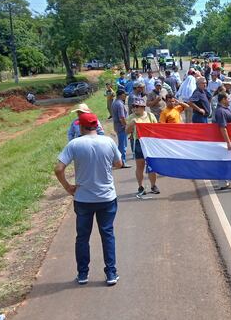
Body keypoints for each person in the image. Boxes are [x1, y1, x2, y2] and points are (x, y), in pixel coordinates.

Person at [54, 111, 123, 286]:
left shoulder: (74, 144)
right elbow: (119, 164)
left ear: (81, 126)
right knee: (107, 234)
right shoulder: (108, 141)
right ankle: (111, 273)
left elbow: (58, 168)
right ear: (96, 125)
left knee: (83, 237)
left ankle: (83, 274)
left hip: (83, 198)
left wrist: (67, 186)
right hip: (106, 196)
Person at [126, 97, 159, 197]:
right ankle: (140, 186)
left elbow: (157, 128)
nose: (135, 108)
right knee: (140, 166)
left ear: (143, 107)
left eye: (137, 106)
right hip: (138, 143)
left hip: (150, 143)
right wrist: (132, 124)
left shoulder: (150, 115)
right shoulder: (131, 117)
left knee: (151, 165)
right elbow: (127, 131)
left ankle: (153, 186)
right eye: (134, 106)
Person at [214, 92, 231, 190]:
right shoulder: (220, 111)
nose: (229, 100)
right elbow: (223, 127)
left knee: (227, 161)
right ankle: (222, 183)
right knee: (223, 161)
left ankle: (225, 181)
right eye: (227, 98)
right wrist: (228, 142)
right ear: (223, 99)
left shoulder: (224, 110)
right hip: (223, 141)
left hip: (227, 139)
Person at [112, 89, 130, 168]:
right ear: (121, 95)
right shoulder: (119, 104)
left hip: (117, 126)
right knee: (123, 145)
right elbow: (122, 117)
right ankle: (122, 162)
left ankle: (119, 161)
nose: (125, 96)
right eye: (124, 94)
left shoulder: (115, 103)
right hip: (121, 127)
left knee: (121, 145)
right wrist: (126, 126)